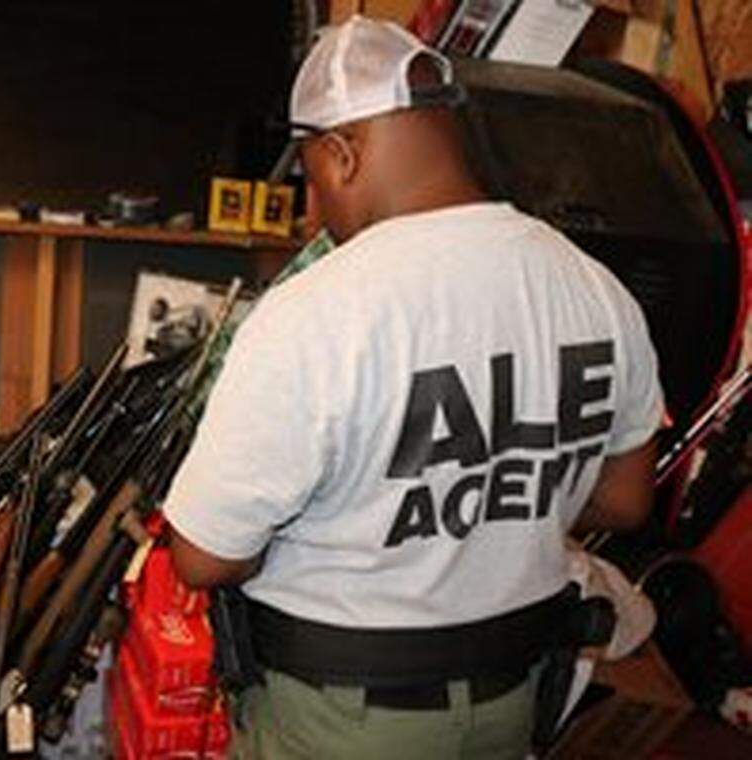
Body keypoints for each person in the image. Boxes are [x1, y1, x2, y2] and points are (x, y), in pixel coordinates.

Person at [162, 17, 663, 760]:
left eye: (309, 176)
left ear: (341, 153)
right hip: (511, 705)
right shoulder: (596, 289)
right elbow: (625, 501)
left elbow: (203, 557)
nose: (312, 208)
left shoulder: (315, 312)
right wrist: (506, 489)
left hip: (338, 723)